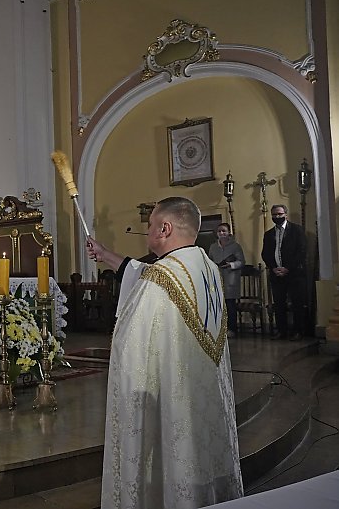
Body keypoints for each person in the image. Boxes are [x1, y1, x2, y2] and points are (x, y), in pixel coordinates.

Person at [87, 196, 242, 509]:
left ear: (164, 229)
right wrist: (106, 256)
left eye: (149, 227)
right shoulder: (206, 266)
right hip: (204, 395)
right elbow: (147, 274)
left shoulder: (162, 278)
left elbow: (131, 347)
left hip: (175, 398)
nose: (147, 233)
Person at [261, 204, 307, 340]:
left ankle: (298, 331)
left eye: (280, 214)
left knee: (297, 303)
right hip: (276, 274)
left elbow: (301, 252)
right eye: (274, 215)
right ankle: (281, 331)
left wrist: (287, 268)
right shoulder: (269, 234)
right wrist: (273, 268)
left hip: (294, 274)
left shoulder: (296, 230)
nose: (277, 217)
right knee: (279, 304)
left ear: (285, 214)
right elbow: (265, 254)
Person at [208, 223, 245, 338]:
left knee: (230, 306)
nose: (221, 233)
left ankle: (232, 329)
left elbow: (241, 261)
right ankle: (219, 329)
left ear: (229, 232)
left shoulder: (235, 246)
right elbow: (209, 260)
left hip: (231, 279)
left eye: (224, 231)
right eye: (219, 231)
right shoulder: (213, 247)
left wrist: (231, 264)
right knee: (218, 305)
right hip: (217, 279)